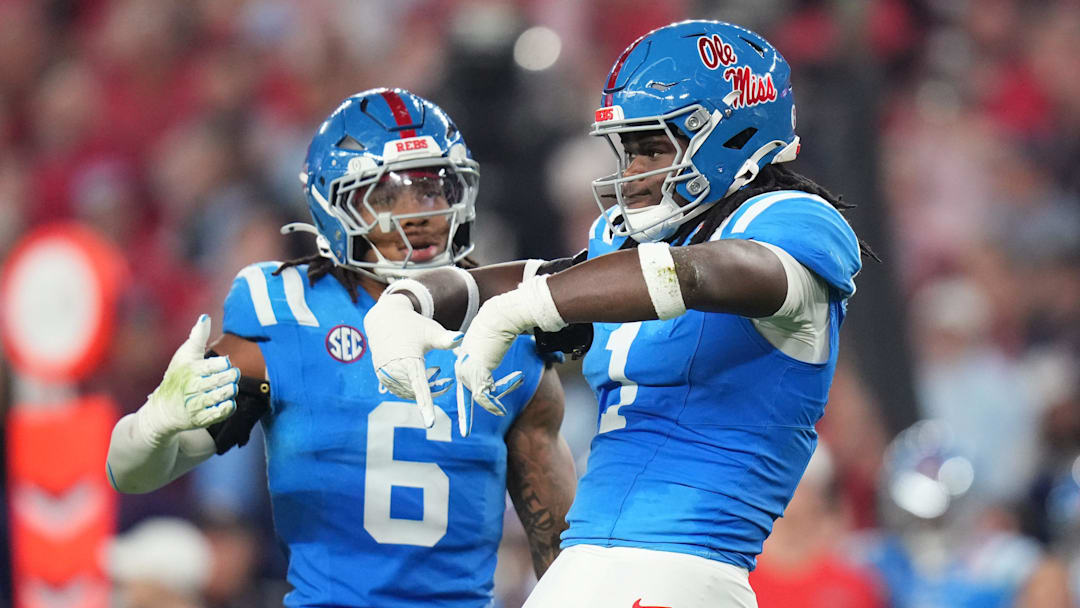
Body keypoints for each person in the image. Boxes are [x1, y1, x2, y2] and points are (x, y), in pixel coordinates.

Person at [363, 21, 873, 607]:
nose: (631, 174)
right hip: (587, 568)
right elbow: (542, 277)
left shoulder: (796, 223)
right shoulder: (621, 250)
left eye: (652, 148)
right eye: (626, 150)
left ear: (732, 134)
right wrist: (412, 300)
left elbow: (699, 273)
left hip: (682, 569)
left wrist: (526, 308)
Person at [105, 88, 576, 608]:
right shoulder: (292, 315)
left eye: (428, 190)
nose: (413, 215)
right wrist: (152, 426)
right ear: (335, 207)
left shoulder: (502, 321)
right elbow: (132, 473)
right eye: (385, 195)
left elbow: (560, 549)